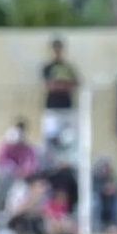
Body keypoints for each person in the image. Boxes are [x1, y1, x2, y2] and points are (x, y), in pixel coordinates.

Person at [40, 38, 79, 166]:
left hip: (67, 107)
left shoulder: (68, 67)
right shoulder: (48, 67)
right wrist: (63, 85)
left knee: (69, 139)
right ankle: (51, 165)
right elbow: (49, 85)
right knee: (51, 139)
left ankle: (67, 164)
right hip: (52, 108)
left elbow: (75, 84)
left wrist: (60, 85)